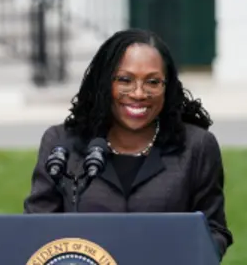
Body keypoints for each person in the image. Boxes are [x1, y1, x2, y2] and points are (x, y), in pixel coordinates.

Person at [23, 29, 233, 259]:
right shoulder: (61, 143)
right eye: (125, 79)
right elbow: (36, 229)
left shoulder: (196, 146)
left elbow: (214, 230)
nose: (139, 93)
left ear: (167, 86)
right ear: (104, 82)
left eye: (152, 82)